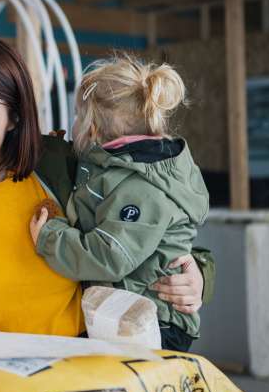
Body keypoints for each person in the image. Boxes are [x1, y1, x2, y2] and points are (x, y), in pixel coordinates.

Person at [0, 35, 213, 336]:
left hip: (85, 366)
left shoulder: (66, 165)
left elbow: (149, 230)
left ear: (14, 118)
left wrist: (197, 276)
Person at [29, 55, 209, 351]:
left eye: (77, 116)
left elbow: (111, 255)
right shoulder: (119, 169)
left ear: (92, 129)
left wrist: (50, 238)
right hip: (127, 313)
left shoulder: (142, 187)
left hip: (153, 322)